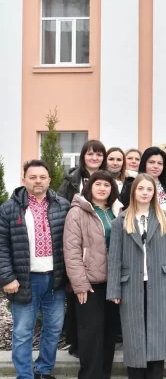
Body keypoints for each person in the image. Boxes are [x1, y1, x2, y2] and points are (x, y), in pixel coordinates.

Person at [107, 174, 166, 379]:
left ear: (154, 193)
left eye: (149, 189)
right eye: (141, 189)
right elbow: (114, 258)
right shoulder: (121, 220)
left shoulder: (165, 217)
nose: (145, 193)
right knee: (134, 332)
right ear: (134, 192)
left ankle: (155, 374)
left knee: (158, 331)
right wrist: (114, 289)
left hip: (160, 281)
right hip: (131, 284)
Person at [0, 160, 69, 379]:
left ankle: (43, 371)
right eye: (32, 177)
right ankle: (25, 375)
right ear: (24, 180)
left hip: (55, 280)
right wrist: (7, 277)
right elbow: (1, 245)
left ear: (49, 180)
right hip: (24, 280)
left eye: (42, 177)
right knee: (22, 332)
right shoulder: (9, 208)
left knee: (54, 328)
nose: (38, 181)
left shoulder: (62, 205)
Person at [64, 170, 122, 379]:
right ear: (90, 187)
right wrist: (79, 284)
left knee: (108, 334)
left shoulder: (117, 211)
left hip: (114, 283)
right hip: (89, 284)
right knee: (91, 336)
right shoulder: (78, 212)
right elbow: (71, 250)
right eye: (98, 184)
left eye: (107, 185)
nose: (102, 188)